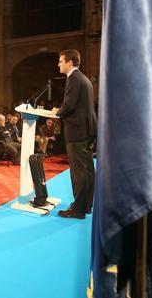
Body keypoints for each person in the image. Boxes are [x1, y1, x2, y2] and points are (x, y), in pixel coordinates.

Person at [53, 49, 97, 219]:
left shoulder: (73, 78)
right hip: (88, 129)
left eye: (60, 61)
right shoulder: (84, 78)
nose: (58, 64)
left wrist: (58, 111)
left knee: (78, 172)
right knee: (87, 169)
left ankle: (78, 210)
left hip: (77, 131)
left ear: (70, 63)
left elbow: (69, 105)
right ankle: (86, 205)